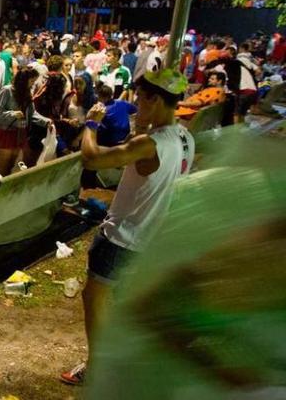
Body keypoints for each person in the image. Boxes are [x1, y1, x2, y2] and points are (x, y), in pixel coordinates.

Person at [60, 68, 195, 386]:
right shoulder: (184, 137)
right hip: (152, 235)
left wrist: (91, 123)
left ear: (156, 99)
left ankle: (98, 368)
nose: (137, 105)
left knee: (96, 298)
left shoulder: (150, 143)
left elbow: (91, 158)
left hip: (123, 236)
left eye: (141, 99)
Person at [0, 67, 51, 175]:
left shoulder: (27, 93)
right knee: (3, 166)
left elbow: (32, 114)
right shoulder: (7, 90)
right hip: (6, 132)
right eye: (31, 81)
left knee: (12, 165)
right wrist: (13, 114)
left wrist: (46, 121)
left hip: (20, 132)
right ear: (23, 80)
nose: (33, 84)